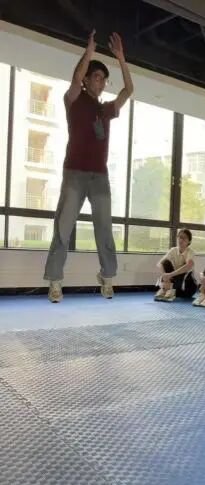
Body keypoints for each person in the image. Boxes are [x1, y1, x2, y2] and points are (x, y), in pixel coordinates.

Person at [44, 30, 134, 303]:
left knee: (104, 227)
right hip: (74, 173)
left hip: (100, 177)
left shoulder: (106, 110)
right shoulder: (73, 100)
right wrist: (89, 53)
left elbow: (128, 90)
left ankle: (107, 276)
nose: (102, 82)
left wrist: (121, 58)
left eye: (104, 79)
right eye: (97, 77)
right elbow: (74, 78)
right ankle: (55, 281)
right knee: (64, 226)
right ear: (86, 80)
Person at [155, 229, 197, 302]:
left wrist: (170, 274)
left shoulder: (191, 252)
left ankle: (170, 290)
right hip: (175, 282)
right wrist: (164, 275)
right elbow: (160, 263)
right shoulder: (173, 250)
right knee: (165, 263)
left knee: (184, 267)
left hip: (187, 287)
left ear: (189, 241)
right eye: (180, 237)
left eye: (184, 238)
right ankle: (166, 289)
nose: (181, 240)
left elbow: (189, 266)